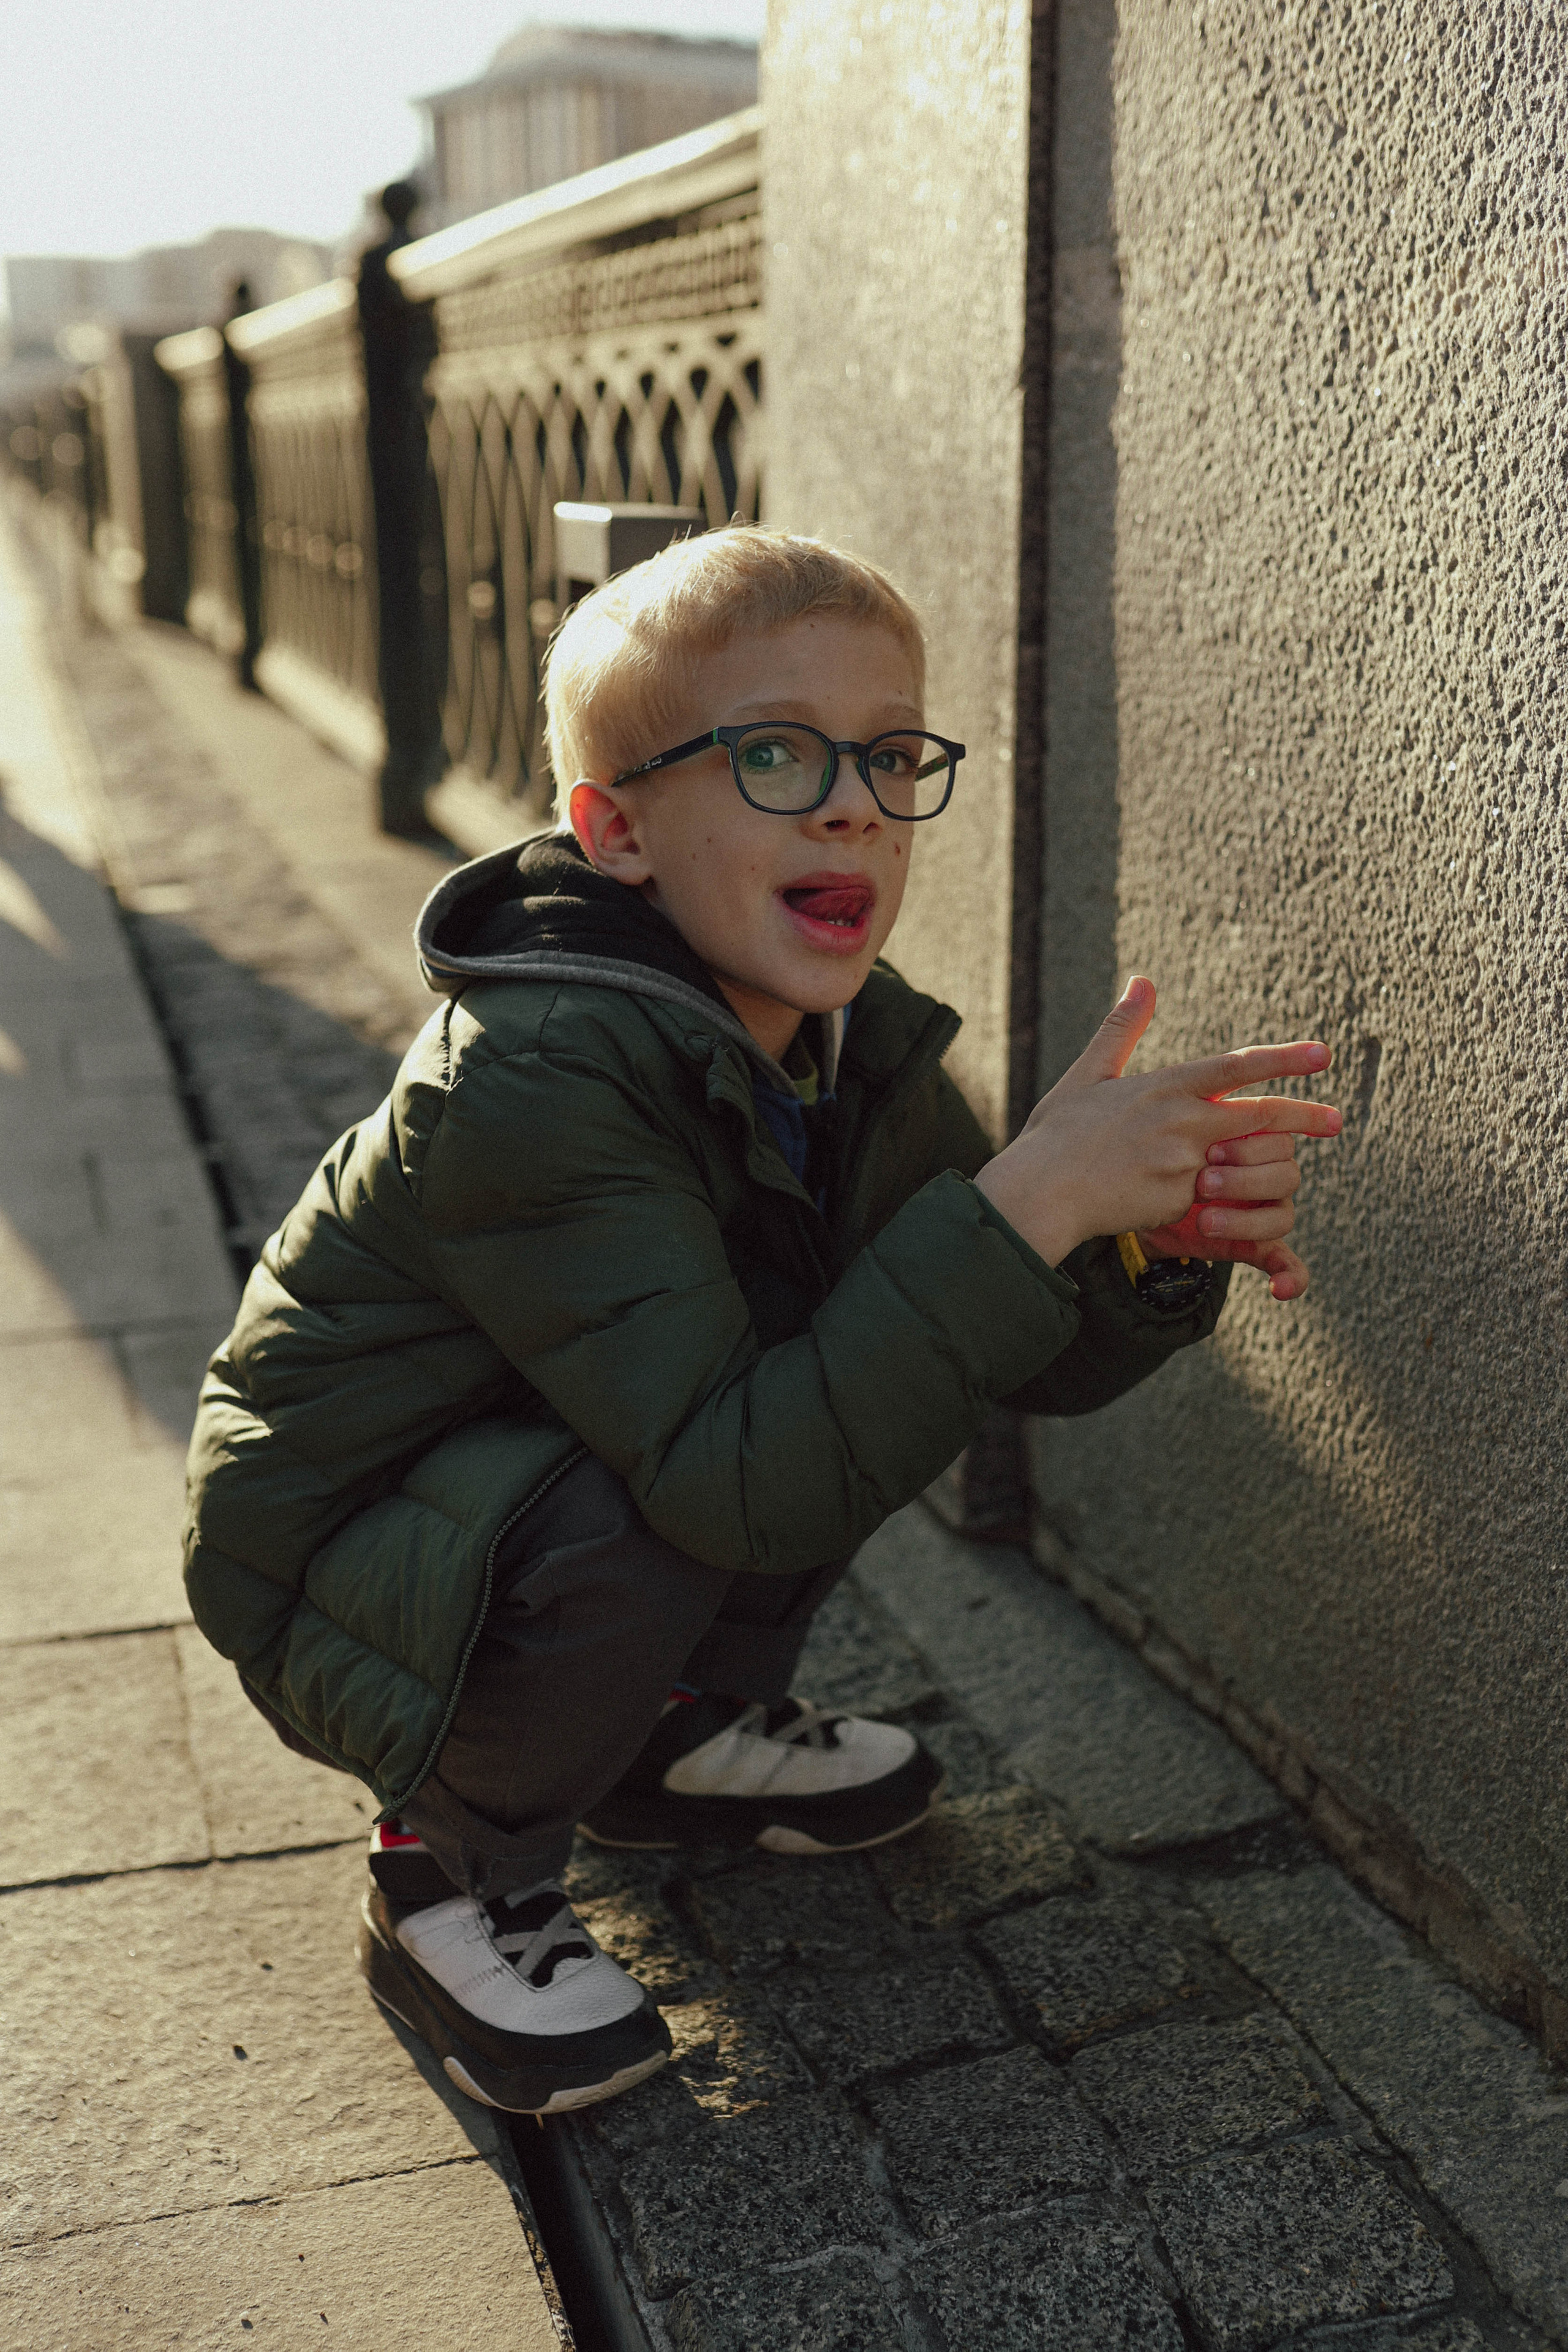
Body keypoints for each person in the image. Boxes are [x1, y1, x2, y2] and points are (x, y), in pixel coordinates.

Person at [183, 527, 1340, 2117]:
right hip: (340, 1555)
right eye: (778, 755)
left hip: (537, 1484)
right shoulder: (538, 1078)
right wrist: (1017, 1207)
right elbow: (738, 1483)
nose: (855, 801)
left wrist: (1136, 1246)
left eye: (886, 754)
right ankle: (442, 1863)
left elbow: (996, 1340)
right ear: (618, 833)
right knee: (716, 1453)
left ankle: (667, 1737)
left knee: (862, 1346)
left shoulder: (844, 1047)